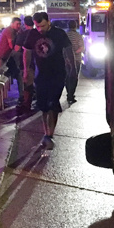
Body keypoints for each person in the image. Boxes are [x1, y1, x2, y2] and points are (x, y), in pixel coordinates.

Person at [23, 12, 75, 149]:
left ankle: (50, 135)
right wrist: (26, 70)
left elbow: (69, 50)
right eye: (37, 26)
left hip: (57, 74)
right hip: (41, 76)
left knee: (53, 104)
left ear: (49, 22)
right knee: (43, 106)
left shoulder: (59, 34)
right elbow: (27, 52)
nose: (40, 29)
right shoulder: (33, 34)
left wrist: (72, 68)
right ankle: (46, 132)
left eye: (43, 26)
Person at [0, 17, 23, 104]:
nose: (19, 26)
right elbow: (12, 46)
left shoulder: (13, 31)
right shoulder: (9, 31)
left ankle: (22, 96)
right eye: (17, 24)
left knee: (17, 75)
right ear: (12, 23)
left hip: (5, 60)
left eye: (20, 24)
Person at [13, 16, 36, 111]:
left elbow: (17, 49)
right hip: (38, 62)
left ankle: (27, 104)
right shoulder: (37, 33)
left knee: (27, 84)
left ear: (25, 24)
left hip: (27, 62)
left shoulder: (22, 34)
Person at [65, 19, 84, 104]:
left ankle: (68, 92)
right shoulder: (78, 36)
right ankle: (71, 95)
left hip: (65, 60)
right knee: (74, 78)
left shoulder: (65, 35)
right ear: (76, 26)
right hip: (76, 60)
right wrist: (74, 52)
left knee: (67, 78)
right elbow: (81, 48)